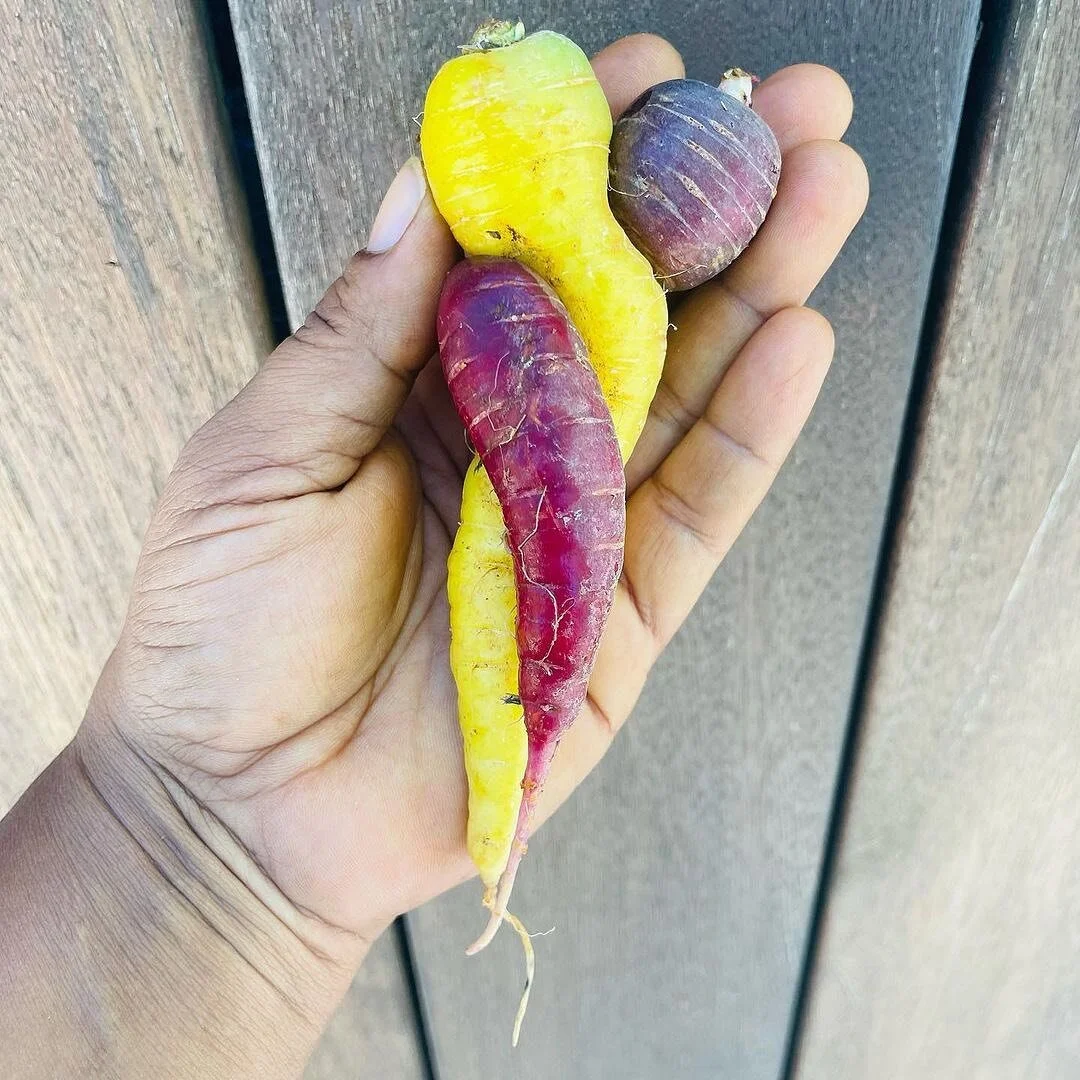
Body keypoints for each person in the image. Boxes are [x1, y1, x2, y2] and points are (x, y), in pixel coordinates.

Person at [0, 34, 867, 1079]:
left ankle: (519, 774)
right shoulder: (516, 290)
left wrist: (187, 830)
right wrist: (181, 814)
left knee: (554, 547)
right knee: (553, 542)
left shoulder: (594, 307)